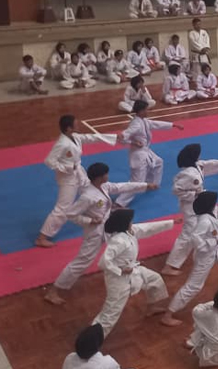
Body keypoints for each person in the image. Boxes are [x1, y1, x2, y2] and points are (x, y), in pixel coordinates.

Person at [44, 163, 154, 305]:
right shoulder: (88, 196)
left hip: (108, 226)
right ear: (100, 177)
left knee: (126, 244)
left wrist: (145, 185)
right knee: (82, 262)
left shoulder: (104, 186)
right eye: (106, 174)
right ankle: (53, 291)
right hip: (95, 232)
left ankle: (129, 271)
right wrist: (89, 220)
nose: (108, 176)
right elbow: (70, 214)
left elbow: (121, 186)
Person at [160, 191, 218, 326]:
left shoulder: (214, 211)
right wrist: (205, 247)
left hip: (217, 247)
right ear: (210, 204)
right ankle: (168, 314)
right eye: (215, 201)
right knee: (194, 285)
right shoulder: (204, 221)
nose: (217, 203)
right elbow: (195, 237)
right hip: (205, 255)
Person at [36, 115, 118, 248]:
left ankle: (104, 209)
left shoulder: (75, 137)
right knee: (63, 208)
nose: (78, 125)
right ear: (69, 128)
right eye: (75, 124)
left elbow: (91, 137)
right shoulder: (62, 144)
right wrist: (68, 167)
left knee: (93, 190)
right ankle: (42, 237)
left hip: (79, 173)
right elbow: (49, 161)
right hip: (68, 178)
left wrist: (114, 137)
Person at [91, 209, 173, 336]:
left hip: (133, 270)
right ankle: (93, 337)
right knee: (111, 312)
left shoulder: (130, 231)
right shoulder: (118, 241)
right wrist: (120, 270)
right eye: (130, 220)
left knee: (155, 279)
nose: (132, 222)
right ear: (124, 223)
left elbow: (148, 228)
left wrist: (171, 222)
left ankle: (152, 308)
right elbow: (103, 262)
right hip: (118, 279)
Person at [162, 144, 218, 276]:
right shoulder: (189, 175)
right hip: (190, 206)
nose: (200, 156)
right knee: (188, 233)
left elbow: (212, 164)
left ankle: (206, 247)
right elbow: (176, 190)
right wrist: (194, 194)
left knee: (200, 228)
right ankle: (169, 266)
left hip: (200, 203)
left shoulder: (198, 165)